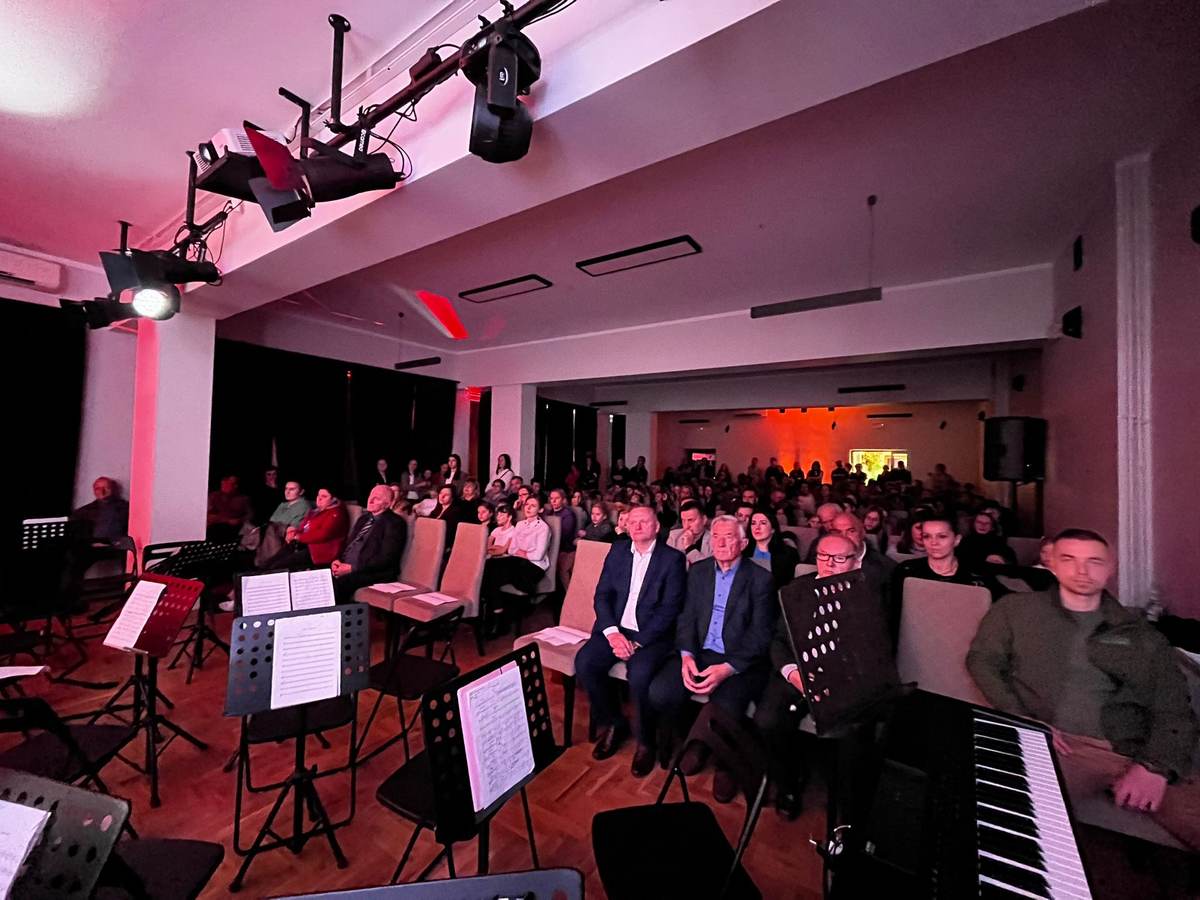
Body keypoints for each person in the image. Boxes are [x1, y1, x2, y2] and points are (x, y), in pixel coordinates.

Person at [967, 529, 1200, 851]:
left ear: (1110, 568)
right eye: (1069, 559)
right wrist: (1020, 718)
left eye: (1094, 561)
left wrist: (1155, 767)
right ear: (1051, 563)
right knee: (1001, 823)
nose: (1082, 571)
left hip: (1130, 746)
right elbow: (982, 661)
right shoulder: (1015, 611)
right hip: (1057, 745)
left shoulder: (1138, 632)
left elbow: (1173, 705)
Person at [648, 516, 777, 802]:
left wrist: (727, 669)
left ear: (743, 543)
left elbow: (761, 635)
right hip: (699, 652)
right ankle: (695, 740)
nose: (720, 542)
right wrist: (686, 655)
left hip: (737, 660)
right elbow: (686, 617)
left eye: (728, 537)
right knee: (661, 692)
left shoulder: (761, 579)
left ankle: (725, 764)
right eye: (716, 536)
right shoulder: (699, 571)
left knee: (727, 705)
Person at [755, 533, 861, 818]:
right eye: (823, 556)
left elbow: (872, 651)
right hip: (797, 673)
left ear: (855, 562)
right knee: (767, 720)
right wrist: (793, 674)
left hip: (840, 679)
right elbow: (779, 640)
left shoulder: (867, 596)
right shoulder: (797, 589)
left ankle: (844, 804)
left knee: (851, 732)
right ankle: (788, 783)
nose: (829, 563)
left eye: (839, 558)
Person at [576, 506, 687, 775]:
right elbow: (602, 596)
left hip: (651, 636)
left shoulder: (672, 559)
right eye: (632, 522)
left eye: (644, 522)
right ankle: (616, 723)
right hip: (615, 630)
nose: (636, 526)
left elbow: (670, 609)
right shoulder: (617, 551)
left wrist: (637, 644)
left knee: (639, 675)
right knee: (585, 663)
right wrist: (613, 633)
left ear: (656, 527)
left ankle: (646, 742)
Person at [889, 515, 998, 638]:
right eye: (927, 536)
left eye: (942, 536)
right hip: (917, 639)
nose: (933, 543)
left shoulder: (977, 574)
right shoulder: (907, 570)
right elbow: (894, 614)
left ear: (956, 540)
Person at [480, 495, 552, 632]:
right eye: (527, 505)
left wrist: (523, 553)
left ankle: (497, 617)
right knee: (488, 567)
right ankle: (496, 612)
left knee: (495, 572)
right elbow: (512, 549)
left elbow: (538, 555)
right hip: (517, 561)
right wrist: (521, 552)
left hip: (534, 566)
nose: (528, 508)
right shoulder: (519, 525)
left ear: (540, 509)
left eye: (533, 506)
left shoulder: (543, 528)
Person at [330, 484, 407, 602]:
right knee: (321, 578)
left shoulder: (395, 523)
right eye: (371, 496)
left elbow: (385, 558)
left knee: (340, 584)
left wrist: (352, 568)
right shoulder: (363, 519)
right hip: (349, 566)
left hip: (374, 572)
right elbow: (349, 544)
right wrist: (338, 560)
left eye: (377, 498)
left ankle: (339, 614)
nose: (370, 500)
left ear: (387, 504)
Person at [262, 487, 349, 570]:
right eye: (318, 495)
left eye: (324, 496)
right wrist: (294, 533)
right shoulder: (316, 511)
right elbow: (304, 526)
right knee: (268, 564)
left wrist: (298, 537)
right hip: (304, 544)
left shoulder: (337, 514)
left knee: (277, 566)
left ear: (334, 499)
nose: (319, 498)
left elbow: (322, 534)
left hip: (319, 551)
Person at [254, 480, 312, 566]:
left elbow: (296, 525)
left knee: (271, 529)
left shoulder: (303, 505)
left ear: (301, 492)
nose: (287, 492)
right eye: (286, 489)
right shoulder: (283, 505)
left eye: (292, 489)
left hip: (288, 532)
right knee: (255, 528)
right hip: (275, 528)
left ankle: (267, 562)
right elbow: (272, 520)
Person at [743, 510, 800, 590]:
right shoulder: (743, 552)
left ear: (773, 529)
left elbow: (791, 585)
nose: (757, 527)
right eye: (753, 523)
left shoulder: (789, 553)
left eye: (763, 523)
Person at [70, 476, 129, 544]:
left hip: (119, 548)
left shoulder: (126, 508)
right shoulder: (82, 512)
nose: (102, 491)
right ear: (94, 490)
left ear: (113, 489)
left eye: (106, 488)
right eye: (98, 488)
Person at [546, 489, 578, 590]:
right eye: (551, 498)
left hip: (566, 549)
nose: (554, 501)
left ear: (563, 499)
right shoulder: (550, 512)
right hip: (552, 548)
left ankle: (569, 594)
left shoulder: (568, 514)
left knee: (562, 570)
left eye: (557, 498)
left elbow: (564, 536)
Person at [667, 499, 712, 566]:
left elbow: (707, 569)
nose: (686, 526)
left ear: (704, 519)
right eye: (683, 521)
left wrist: (689, 547)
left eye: (690, 520)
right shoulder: (674, 537)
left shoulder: (713, 540)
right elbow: (667, 565)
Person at [207, 475, 250, 542]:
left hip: (235, 531)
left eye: (228, 484)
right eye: (223, 483)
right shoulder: (213, 496)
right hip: (214, 530)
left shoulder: (243, 499)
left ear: (236, 486)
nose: (224, 486)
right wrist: (227, 520)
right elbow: (208, 516)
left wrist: (240, 520)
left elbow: (250, 515)